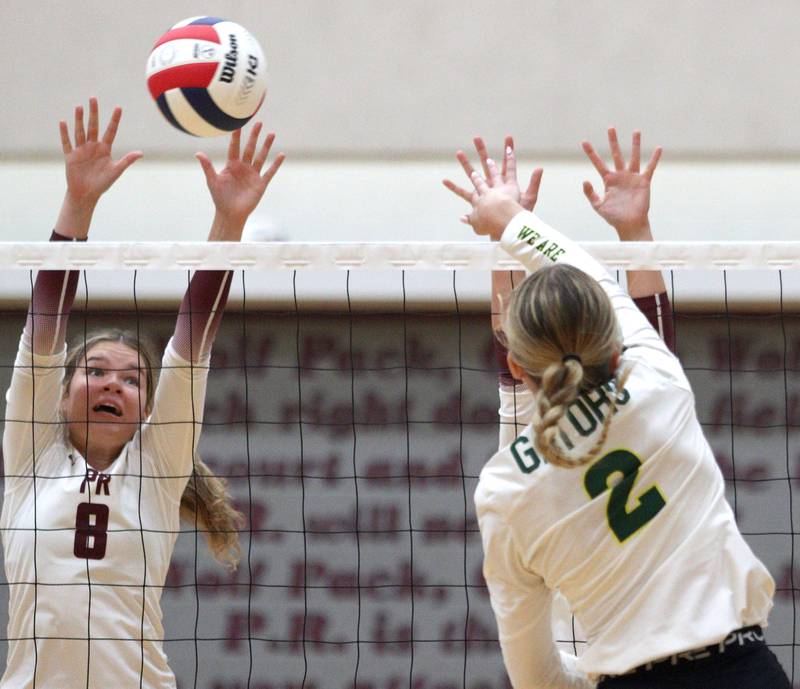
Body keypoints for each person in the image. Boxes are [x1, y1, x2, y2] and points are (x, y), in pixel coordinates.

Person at [444, 133, 790, 688]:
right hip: (743, 672)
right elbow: (597, 286)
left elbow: (533, 677)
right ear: (612, 348)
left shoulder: (505, 488)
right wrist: (508, 221)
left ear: (515, 368)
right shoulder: (656, 381)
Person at [1, 98, 284, 689]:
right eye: (96, 371)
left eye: (131, 380)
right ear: (60, 393)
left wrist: (226, 226)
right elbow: (42, 333)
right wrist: (78, 203)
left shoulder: (156, 470)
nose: (112, 383)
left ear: (147, 413)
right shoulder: (33, 458)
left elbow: (190, 348)